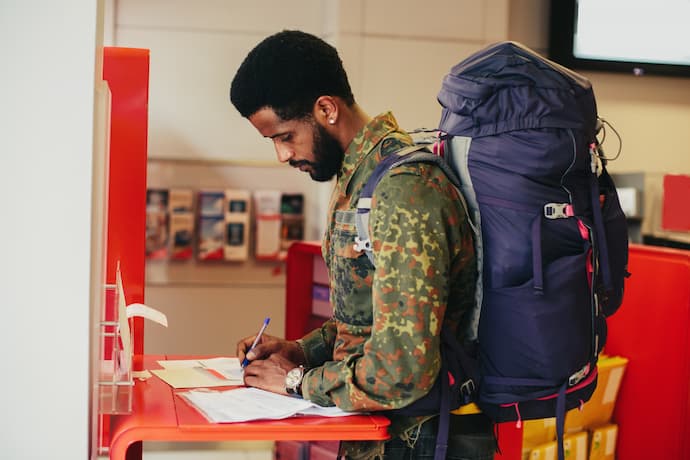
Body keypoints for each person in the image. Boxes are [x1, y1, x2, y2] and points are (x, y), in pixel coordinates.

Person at [229, 30, 496, 460]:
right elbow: (374, 320)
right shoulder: (360, 183)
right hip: (386, 434)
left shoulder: (404, 190)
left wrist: (297, 380)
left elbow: (402, 368)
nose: (282, 155)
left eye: (284, 136)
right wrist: (301, 350)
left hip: (425, 440)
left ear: (326, 109)